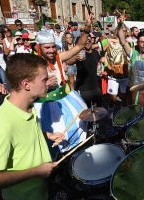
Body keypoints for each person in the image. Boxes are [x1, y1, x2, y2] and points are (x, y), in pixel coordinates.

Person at [0, 53, 63, 200]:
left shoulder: (27, 107)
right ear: (26, 84)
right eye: (44, 80)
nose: (49, 83)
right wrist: (36, 172)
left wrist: (47, 135)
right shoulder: (3, 124)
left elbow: (21, 136)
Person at [33, 14, 94, 154]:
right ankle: (57, 159)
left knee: (78, 124)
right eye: (47, 47)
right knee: (54, 133)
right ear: (39, 48)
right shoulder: (33, 64)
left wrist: (87, 27)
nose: (51, 50)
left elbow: (79, 45)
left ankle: (75, 153)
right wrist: (45, 84)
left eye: (53, 46)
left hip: (66, 96)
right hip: (45, 103)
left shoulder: (58, 57)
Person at [76, 35, 104, 107]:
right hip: (84, 88)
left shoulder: (95, 52)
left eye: (89, 40)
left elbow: (101, 60)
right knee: (86, 109)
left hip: (95, 86)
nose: (87, 42)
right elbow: (71, 60)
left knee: (99, 107)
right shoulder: (79, 53)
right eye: (85, 41)